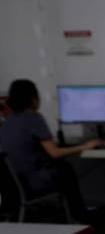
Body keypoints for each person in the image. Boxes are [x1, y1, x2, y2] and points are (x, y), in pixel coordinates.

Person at [0, 79, 99, 222]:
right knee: (65, 169)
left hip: (15, 185)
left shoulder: (7, 122)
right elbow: (55, 153)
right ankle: (80, 216)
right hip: (35, 182)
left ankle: (77, 214)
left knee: (61, 167)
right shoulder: (34, 118)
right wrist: (85, 146)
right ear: (34, 98)